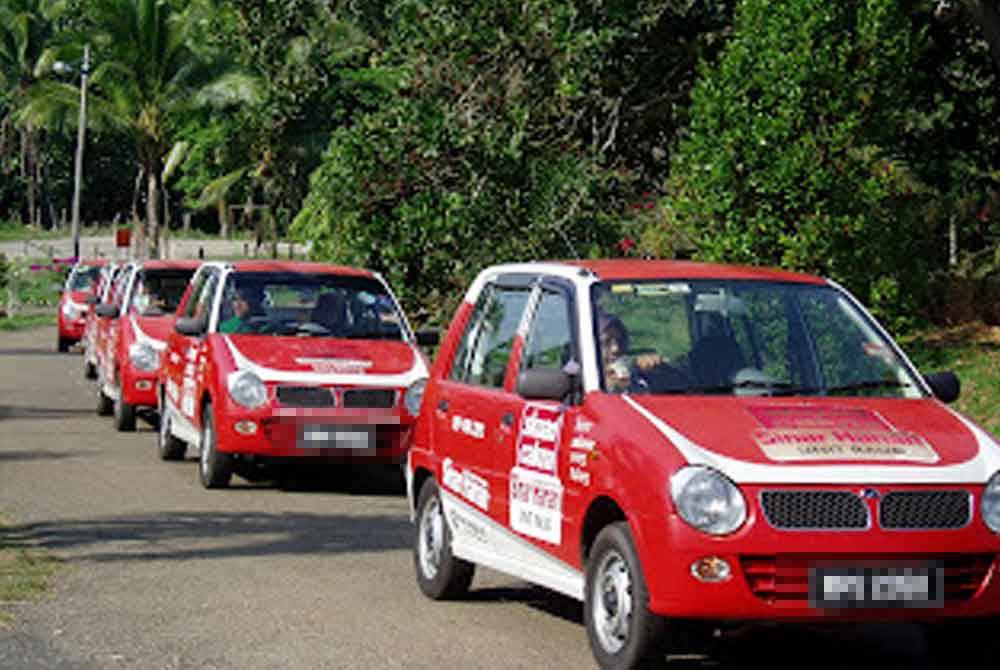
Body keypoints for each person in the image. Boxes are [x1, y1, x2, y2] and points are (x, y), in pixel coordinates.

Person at [598, 313, 664, 393]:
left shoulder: (636, 378)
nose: (615, 349)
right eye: (606, 342)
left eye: (620, 341)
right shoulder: (584, 383)